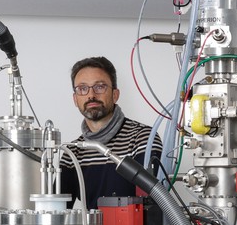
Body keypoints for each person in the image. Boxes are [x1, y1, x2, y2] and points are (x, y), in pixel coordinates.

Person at [59, 56, 163, 210]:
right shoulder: (72, 152)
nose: (91, 95)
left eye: (100, 87)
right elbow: (58, 211)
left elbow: (153, 205)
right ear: (75, 99)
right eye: (82, 88)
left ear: (115, 94)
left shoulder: (143, 139)